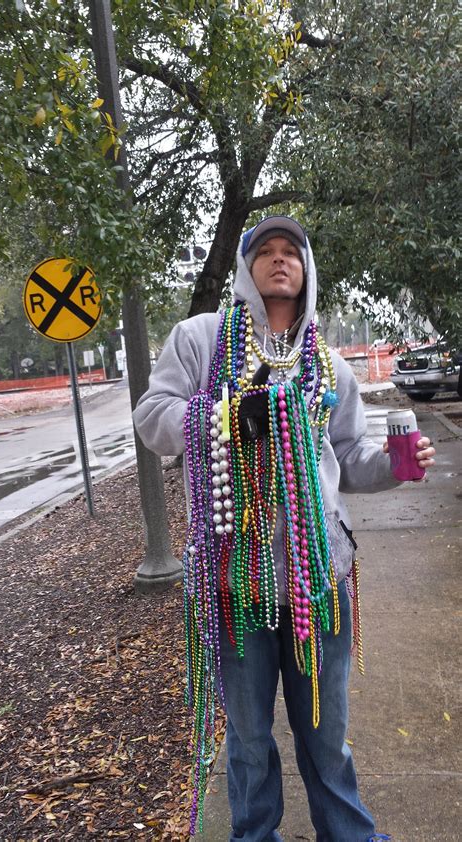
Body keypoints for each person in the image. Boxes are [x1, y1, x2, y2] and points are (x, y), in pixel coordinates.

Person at [133, 216, 436, 842]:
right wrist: (227, 415)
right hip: (231, 581)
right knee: (246, 743)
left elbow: (349, 460)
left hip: (317, 579)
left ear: (306, 270)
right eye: (264, 252)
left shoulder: (326, 364)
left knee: (327, 736)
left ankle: (349, 835)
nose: (278, 261)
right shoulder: (201, 339)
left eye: (290, 252)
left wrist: (396, 467)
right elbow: (152, 416)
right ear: (246, 268)